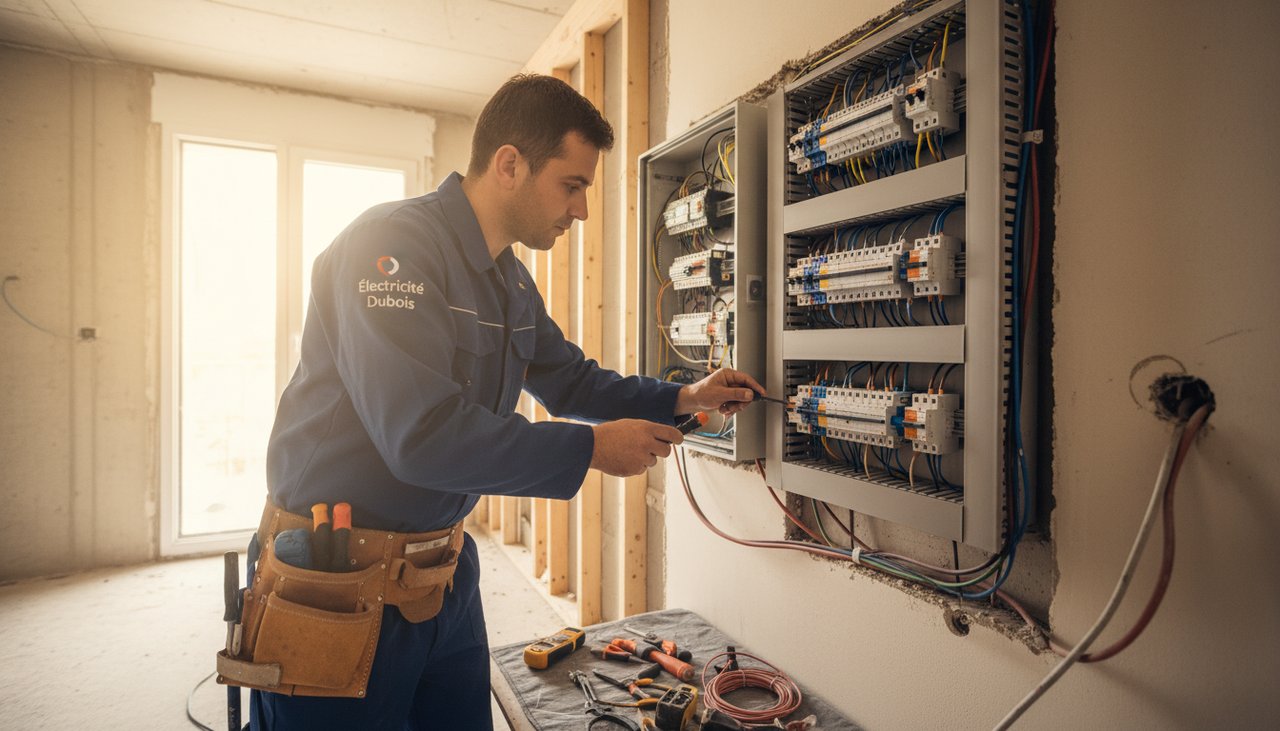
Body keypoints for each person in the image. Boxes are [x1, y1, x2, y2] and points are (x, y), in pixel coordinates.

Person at [249, 73, 764, 729]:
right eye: (572, 184)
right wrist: (591, 448)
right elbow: (422, 437)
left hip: (443, 573)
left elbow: (570, 380)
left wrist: (684, 395)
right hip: (338, 577)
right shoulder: (391, 250)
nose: (581, 209)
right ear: (510, 164)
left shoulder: (508, 281)